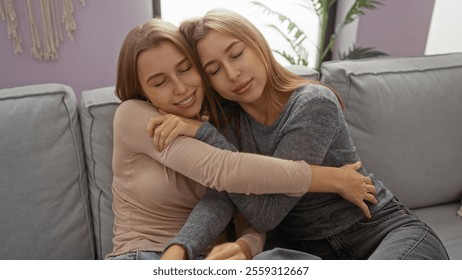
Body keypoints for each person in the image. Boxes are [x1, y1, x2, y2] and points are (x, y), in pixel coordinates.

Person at [156, 9, 449, 260]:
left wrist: (206, 136)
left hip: (384, 233)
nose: (233, 73)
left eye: (236, 54)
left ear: (258, 46)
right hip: (311, 253)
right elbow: (220, 197)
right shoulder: (229, 128)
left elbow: (267, 214)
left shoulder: (313, 103)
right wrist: (179, 249)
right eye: (215, 70)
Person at [106, 18, 376, 260]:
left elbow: (245, 201)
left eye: (185, 69)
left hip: (206, 258)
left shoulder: (222, 123)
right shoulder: (135, 116)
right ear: (142, 91)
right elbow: (223, 169)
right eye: (159, 82)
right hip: (141, 255)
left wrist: (246, 246)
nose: (180, 88)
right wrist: (332, 178)